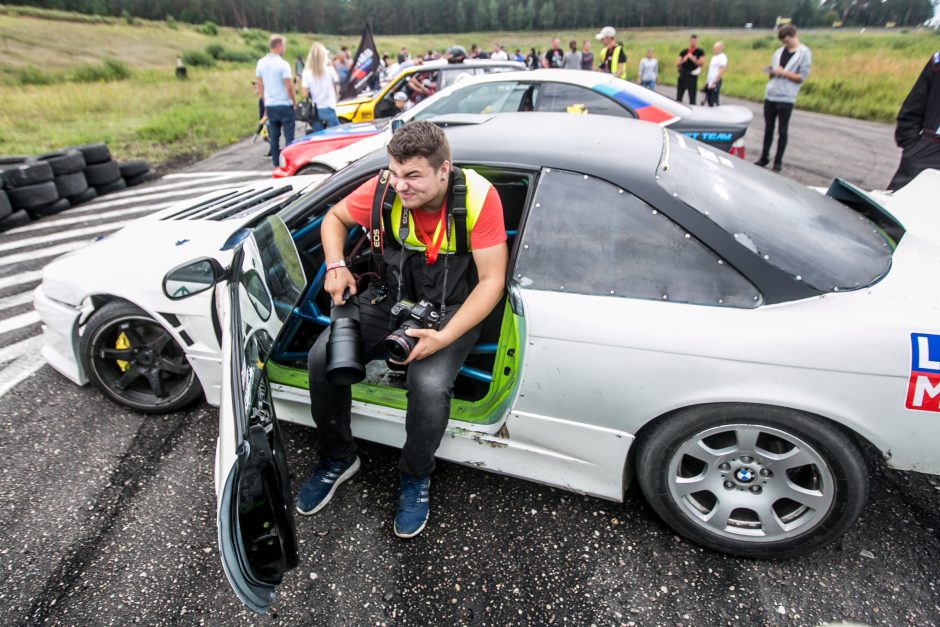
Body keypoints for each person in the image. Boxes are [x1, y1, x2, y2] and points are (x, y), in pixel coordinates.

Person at [298, 121, 508, 538]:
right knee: (322, 357)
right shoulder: (384, 189)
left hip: (452, 308)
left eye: (413, 175)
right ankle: (338, 458)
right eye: (395, 172)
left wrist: (444, 337)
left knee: (428, 386)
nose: (401, 185)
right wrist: (336, 264)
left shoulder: (481, 197)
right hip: (391, 296)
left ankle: (415, 477)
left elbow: (491, 282)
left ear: (443, 170)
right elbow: (333, 219)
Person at [756, 24, 812, 172]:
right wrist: (773, 72)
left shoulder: (804, 53)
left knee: (782, 130)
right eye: (783, 42)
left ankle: (778, 161)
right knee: (768, 129)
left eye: (787, 41)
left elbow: (801, 77)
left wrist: (783, 73)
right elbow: (773, 73)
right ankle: (764, 157)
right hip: (771, 94)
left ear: (794, 36)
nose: (785, 44)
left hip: (786, 97)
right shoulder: (778, 52)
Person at [888, 51, 940, 190]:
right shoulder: (937, 60)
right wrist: (912, 147)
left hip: (926, 152)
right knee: (893, 209)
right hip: (927, 155)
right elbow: (913, 108)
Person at [255, 34, 296, 168]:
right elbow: (288, 86)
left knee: (274, 135)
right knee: (289, 136)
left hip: (271, 104)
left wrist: (265, 100)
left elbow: (260, 85)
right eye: (283, 46)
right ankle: (289, 162)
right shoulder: (283, 64)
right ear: (279, 46)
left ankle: (276, 163)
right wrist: (294, 102)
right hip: (284, 103)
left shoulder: (261, 63)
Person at [301, 42, 340, 131]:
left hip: (314, 111)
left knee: (320, 137)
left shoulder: (306, 73)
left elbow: (304, 94)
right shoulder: (330, 70)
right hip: (329, 107)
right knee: (336, 134)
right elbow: (337, 83)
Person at [675, 34, 705, 105]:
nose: (693, 42)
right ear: (689, 41)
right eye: (692, 40)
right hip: (683, 75)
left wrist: (692, 58)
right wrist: (683, 60)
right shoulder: (684, 51)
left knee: (692, 96)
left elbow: (701, 63)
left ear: (697, 41)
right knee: (679, 96)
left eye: (695, 41)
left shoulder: (700, 52)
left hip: (692, 76)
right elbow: (677, 63)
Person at [704, 41, 727, 107]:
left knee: (713, 100)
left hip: (715, 82)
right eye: (714, 48)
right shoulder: (714, 57)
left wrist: (715, 82)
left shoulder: (722, 57)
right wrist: (707, 81)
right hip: (710, 82)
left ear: (720, 48)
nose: (714, 49)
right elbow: (711, 71)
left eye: (715, 48)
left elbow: (722, 70)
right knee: (709, 100)